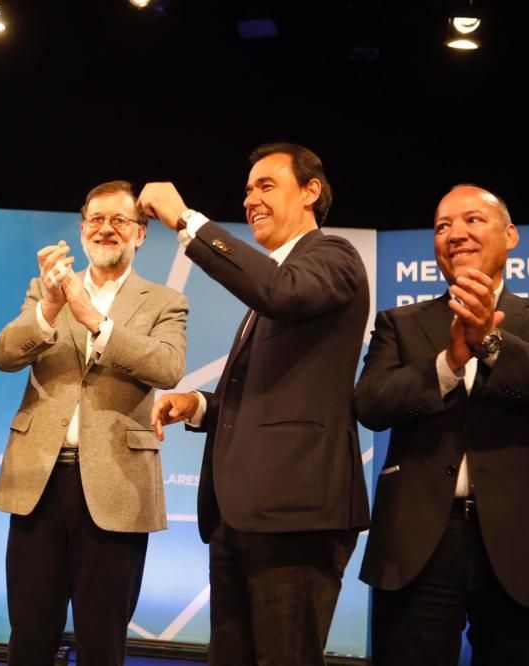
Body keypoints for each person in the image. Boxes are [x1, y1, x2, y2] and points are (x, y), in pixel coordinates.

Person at [142, 143, 371, 665]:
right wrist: (199, 405)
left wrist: (186, 221)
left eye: (266, 185)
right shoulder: (274, 280)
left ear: (311, 192)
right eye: (247, 190)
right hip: (239, 519)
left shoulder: (331, 256)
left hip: (296, 517)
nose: (250, 200)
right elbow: (269, 397)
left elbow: (281, 293)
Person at [355, 184, 529, 665]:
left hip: (523, 540)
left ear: (510, 236)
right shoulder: (399, 323)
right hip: (418, 540)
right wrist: (447, 362)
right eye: (442, 226)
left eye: (472, 220)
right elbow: (370, 404)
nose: (455, 234)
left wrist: (491, 341)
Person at [0, 180, 188, 666]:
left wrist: (96, 320)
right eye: (95, 220)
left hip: (116, 487)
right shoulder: (46, 290)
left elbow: (167, 367)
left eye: (119, 220)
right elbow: (4, 355)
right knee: (30, 633)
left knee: (102, 640)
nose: (106, 229)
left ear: (140, 234)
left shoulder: (163, 301)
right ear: (81, 232)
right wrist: (54, 305)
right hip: (39, 481)